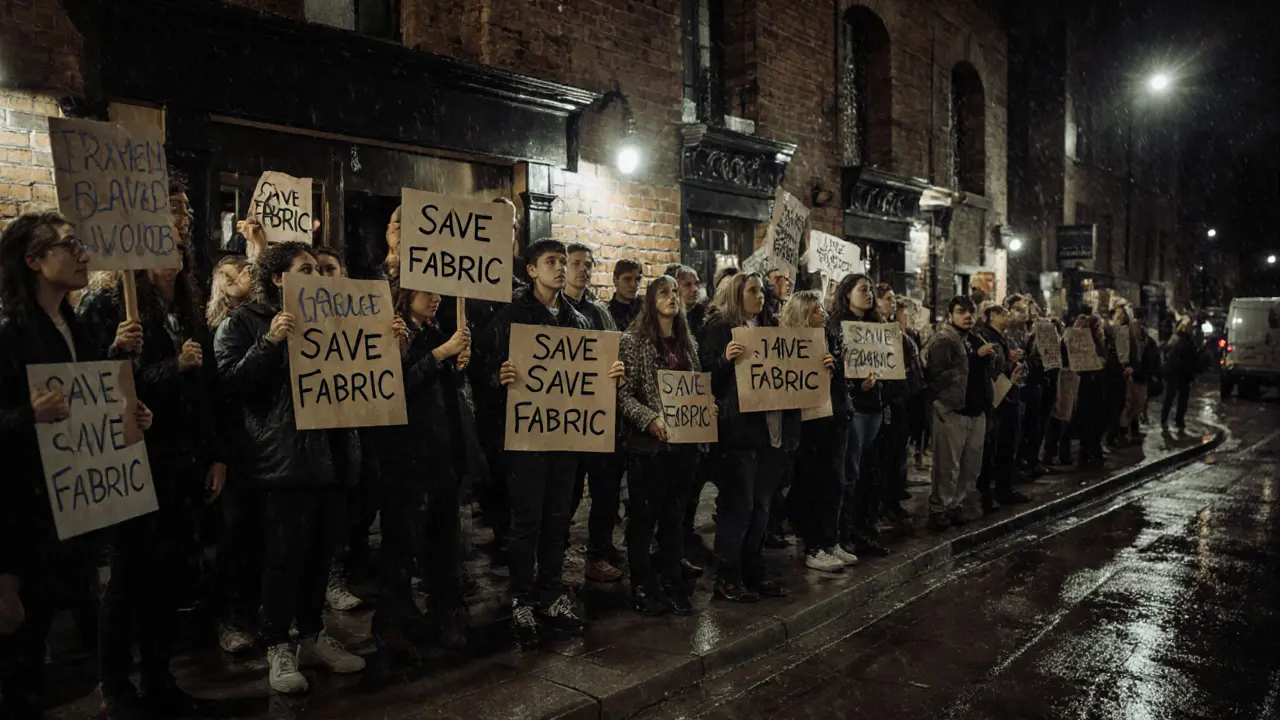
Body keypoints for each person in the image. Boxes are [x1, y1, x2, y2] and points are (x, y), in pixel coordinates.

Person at [77, 180, 229, 718]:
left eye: (184, 230)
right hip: (133, 457)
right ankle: (115, 685)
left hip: (181, 462)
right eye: (171, 226)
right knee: (127, 578)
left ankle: (160, 676)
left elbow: (204, 385)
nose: (181, 235)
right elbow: (92, 385)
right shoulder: (108, 302)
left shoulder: (184, 305)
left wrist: (215, 452)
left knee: (168, 577)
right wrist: (132, 354)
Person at [0, 210, 150, 719]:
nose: (84, 253)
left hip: (75, 510)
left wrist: (128, 411)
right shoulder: (10, 333)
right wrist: (28, 415)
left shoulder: (77, 326)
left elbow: (86, 402)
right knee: (24, 644)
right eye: (69, 245)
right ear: (35, 260)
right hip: (28, 514)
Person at [214, 241, 365, 695]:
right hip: (283, 459)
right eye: (305, 270)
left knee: (321, 553)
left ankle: (313, 637)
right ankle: (277, 642)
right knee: (284, 559)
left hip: (332, 455)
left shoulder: (334, 315)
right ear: (279, 278)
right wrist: (271, 342)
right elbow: (230, 384)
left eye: (321, 269)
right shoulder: (241, 323)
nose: (316, 277)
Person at [489, 238, 626, 648]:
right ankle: (521, 598)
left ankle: (550, 592)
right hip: (527, 438)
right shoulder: (511, 317)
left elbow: (586, 374)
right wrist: (500, 377)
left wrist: (610, 375)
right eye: (552, 262)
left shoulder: (581, 322)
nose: (561, 268)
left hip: (566, 436)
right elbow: (485, 374)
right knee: (526, 522)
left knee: (556, 520)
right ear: (531, 269)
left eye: (564, 262)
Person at [371, 287, 472, 662]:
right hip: (405, 455)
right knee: (401, 544)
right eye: (426, 292)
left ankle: (444, 612)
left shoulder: (438, 331)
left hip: (442, 452)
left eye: (440, 293)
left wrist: (458, 362)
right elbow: (395, 388)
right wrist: (438, 355)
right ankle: (390, 623)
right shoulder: (392, 331)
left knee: (443, 543)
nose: (436, 299)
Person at [699, 272, 797, 602]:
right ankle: (728, 576)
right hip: (739, 434)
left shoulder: (771, 331)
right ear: (736, 295)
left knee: (761, 509)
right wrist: (726, 360)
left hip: (771, 431)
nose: (759, 296)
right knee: (737, 508)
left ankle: (754, 570)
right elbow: (706, 379)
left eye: (761, 291)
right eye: (752, 291)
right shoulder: (718, 329)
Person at [617, 275, 704, 615]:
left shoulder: (686, 342)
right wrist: (649, 419)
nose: (672, 297)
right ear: (651, 301)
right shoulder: (633, 341)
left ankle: (669, 581)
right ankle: (640, 584)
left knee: (674, 517)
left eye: (674, 292)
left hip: (683, 447)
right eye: (664, 292)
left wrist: (704, 409)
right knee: (643, 519)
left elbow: (696, 385)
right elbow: (623, 396)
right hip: (648, 448)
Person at [562, 243, 625, 583]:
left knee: (605, 487)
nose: (582, 269)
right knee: (568, 491)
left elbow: (616, 348)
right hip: (565, 416)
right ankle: (555, 554)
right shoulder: (553, 310)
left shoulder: (600, 313)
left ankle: (598, 552)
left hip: (598, 414)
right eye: (575, 263)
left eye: (587, 264)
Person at [780, 291, 846, 573]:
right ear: (805, 314)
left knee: (830, 483)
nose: (824, 315)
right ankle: (813, 546)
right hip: (802, 424)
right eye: (818, 311)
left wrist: (833, 368)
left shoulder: (826, 340)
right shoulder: (785, 344)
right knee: (809, 485)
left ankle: (828, 541)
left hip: (827, 420)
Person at [829, 273, 887, 557]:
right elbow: (835, 368)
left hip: (875, 407)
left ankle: (863, 529)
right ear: (846, 293)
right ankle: (845, 533)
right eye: (863, 289)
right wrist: (854, 384)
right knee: (850, 474)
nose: (869, 294)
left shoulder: (877, 325)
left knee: (868, 472)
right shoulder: (837, 326)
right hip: (854, 409)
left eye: (871, 290)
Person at [925, 296, 995, 530]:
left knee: (970, 464)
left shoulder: (974, 338)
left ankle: (955, 505)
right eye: (961, 312)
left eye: (971, 312)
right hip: (953, 409)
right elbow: (935, 376)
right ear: (950, 314)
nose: (967, 316)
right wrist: (975, 359)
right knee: (947, 464)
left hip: (975, 410)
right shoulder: (944, 340)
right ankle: (939, 509)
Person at [973, 304, 1031, 513]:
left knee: (1008, 443)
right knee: (994, 447)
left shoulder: (1003, 337)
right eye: (1003, 314)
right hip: (997, 398)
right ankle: (989, 494)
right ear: (991, 316)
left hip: (1008, 394)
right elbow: (991, 369)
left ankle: (1005, 488)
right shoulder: (985, 337)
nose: (1007, 317)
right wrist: (1008, 371)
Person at [874, 286, 922, 523]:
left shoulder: (900, 331)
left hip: (903, 397)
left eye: (894, 299)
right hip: (888, 400)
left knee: (897, 453)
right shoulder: (876, 329)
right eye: (887, 299)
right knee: (887, 455)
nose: (892, 303)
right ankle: (885, 503)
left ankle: (892, 500)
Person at [1161, 315, 1198, 431]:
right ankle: (1173, 419)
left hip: (1181, 373)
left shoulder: (1182, 339)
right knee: (1173, 396)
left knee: (1176, 397)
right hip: (1178, 373)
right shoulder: (1180, 340)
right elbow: (1172, 355)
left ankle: (1175, 419)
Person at [206, 255, 251, 329]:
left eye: (239, 270)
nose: (228, 279)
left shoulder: (255, 313)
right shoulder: (225, 322)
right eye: (225, 274)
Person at [608, 258, 643, 330]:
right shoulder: (607, 313)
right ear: (615, 280)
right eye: (627, 279)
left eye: (638, 279)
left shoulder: (646, 309)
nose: (634, 285)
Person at [674, 265, 707, 336]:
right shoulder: (670, 317)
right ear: (675, 289)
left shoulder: (704, 314)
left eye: (697, 283)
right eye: (688, 285)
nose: (695, 289)